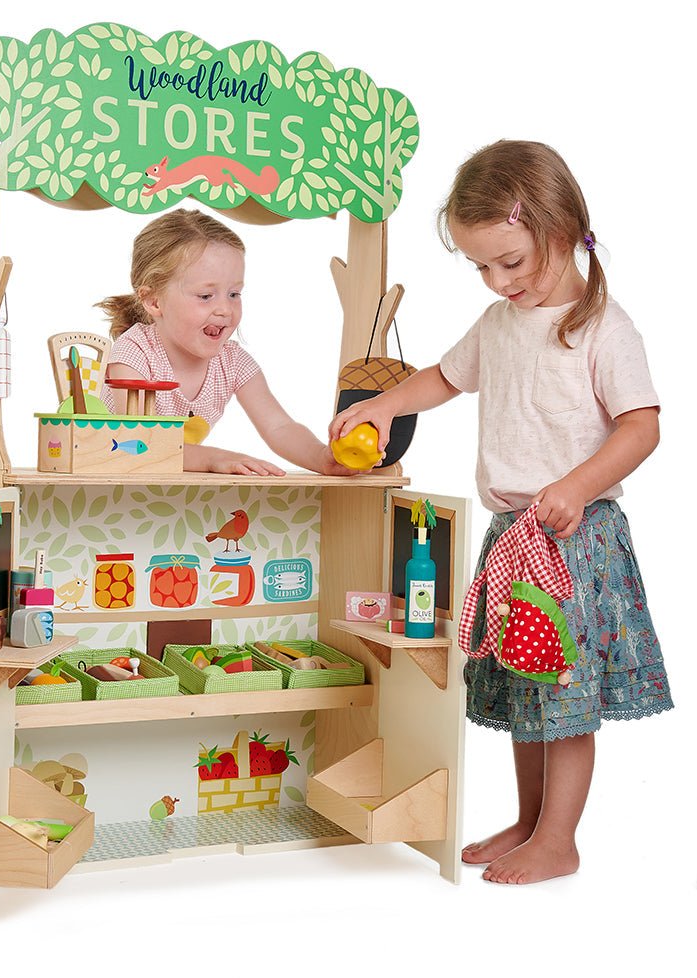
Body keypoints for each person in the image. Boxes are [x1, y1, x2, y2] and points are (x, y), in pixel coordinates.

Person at [329, 140, 673, 884]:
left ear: (561, 229)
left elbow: (641, 426)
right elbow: (444, 378)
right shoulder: (496, 323)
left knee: (563, 692)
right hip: (511, 535)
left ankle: (559, 839)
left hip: (574, 539)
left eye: (509, 262)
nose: (497, 280)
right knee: (524, 685)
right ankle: (529, 820)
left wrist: (578, 484)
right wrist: (385, 405)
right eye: (480, 267)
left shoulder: (603, 329)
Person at [98, 208, 353, 476]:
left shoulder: (231, 362)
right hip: (104, 483)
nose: (225, 310)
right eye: (206, 296)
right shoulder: (134, 352)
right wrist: (213, 459)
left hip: (157, 487)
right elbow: (142, 443)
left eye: (234, 294)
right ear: (153, 301)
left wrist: (321, 457)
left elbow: (279, 427)